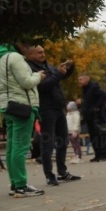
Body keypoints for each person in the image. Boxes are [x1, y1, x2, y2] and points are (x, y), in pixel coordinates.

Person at [0, 43, 46, 196]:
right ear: (18, 44)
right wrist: (38, 76)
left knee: (12, 148)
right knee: (20, 148)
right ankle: (21, 185)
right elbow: (27, 82)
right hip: (22, 107)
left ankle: (15, 184)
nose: (28, 46)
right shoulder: (15, 57)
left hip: (8, 106)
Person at [23, 44, 81, 186]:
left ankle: (62, 172)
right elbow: (42, 87)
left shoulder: (48, 65)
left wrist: (68, 68)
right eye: (39, 52)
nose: (43, 54)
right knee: (47, 142)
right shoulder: (30, 69)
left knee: (63, 140)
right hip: (46, 108)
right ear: (30, 55)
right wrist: (58, 74)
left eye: (43, 52)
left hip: (58, 107)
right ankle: (49, 175)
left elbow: (60, 77)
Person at [78, 74, 106, 162]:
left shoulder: (94, 87)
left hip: (96, 117)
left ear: (86, 79)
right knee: (93, 137)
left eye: (80, 79)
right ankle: (97, 155)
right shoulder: (85, 89)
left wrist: (97, 107)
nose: (79, 81)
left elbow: (104, 96)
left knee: (100, 135)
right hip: (89, 116)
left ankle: (102, 155)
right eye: (78, 80)